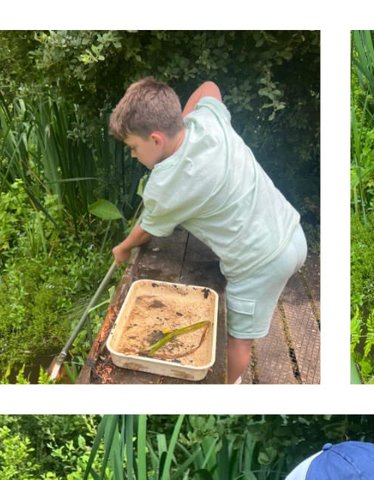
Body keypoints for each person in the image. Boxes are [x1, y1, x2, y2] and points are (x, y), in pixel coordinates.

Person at [109, 77, 307, 384]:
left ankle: (228, 388)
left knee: (238, 341)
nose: (134, 155)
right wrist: (183, 119)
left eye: (134, 147)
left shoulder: (164, 185)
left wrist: (123, 248)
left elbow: (146, 230)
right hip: (291, 231)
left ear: (156, 139)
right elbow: (209, 87)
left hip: (260, 264)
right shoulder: (208, 121)